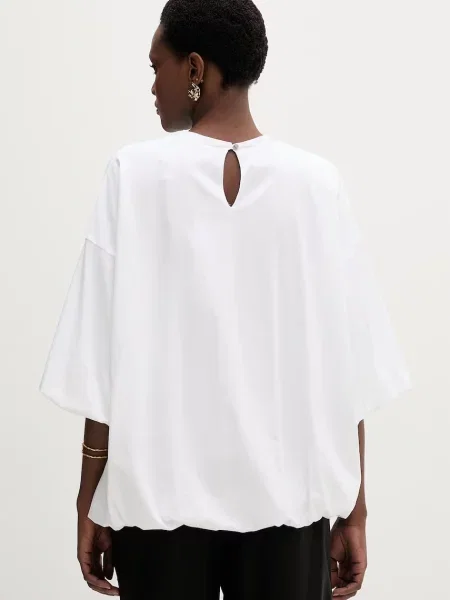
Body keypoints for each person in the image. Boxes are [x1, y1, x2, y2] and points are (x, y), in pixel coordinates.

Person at [38, 1, 412, 598]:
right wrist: (355, 509)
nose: (151, 86)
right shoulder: (317, 186)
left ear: (195, 68)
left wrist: (91, 497)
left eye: (156, 66)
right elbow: (348, 372)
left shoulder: (132, 176)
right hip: (290, 517)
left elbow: (99, 365)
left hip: (158, 517)